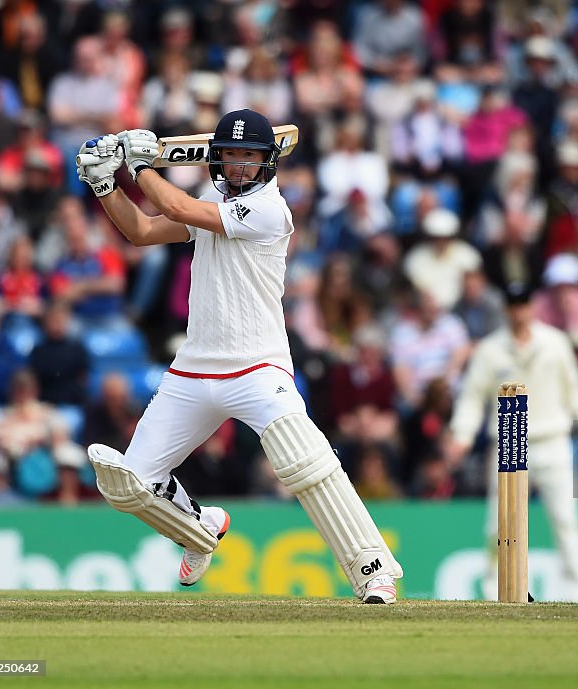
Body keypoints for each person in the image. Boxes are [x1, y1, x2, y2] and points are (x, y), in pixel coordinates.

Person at [74, 109, 402, 603]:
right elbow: (142, 231)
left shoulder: (272, 209)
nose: (240, 167)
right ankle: (200, 529)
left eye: (250, 158)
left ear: (268, 163)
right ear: (217, 159)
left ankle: (372, 571)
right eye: (231, 156)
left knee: (304, 461)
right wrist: (105, 185)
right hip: (194, 367)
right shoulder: (211, 198)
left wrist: (139, 167)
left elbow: (180, 209)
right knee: (130, 485)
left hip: (257, 366)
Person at [447, 283, 578, 602]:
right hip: (508, 445)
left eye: (524, 304)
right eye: (514, 305)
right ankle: (495, 591)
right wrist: (462, 435)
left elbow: (574, 390)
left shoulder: (555, 343)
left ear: (532, 307)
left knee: (566, 521)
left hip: (552, 441)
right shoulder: (490, 349)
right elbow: (471, 398)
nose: (519, 312)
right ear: (506, 309)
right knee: (499, 524)